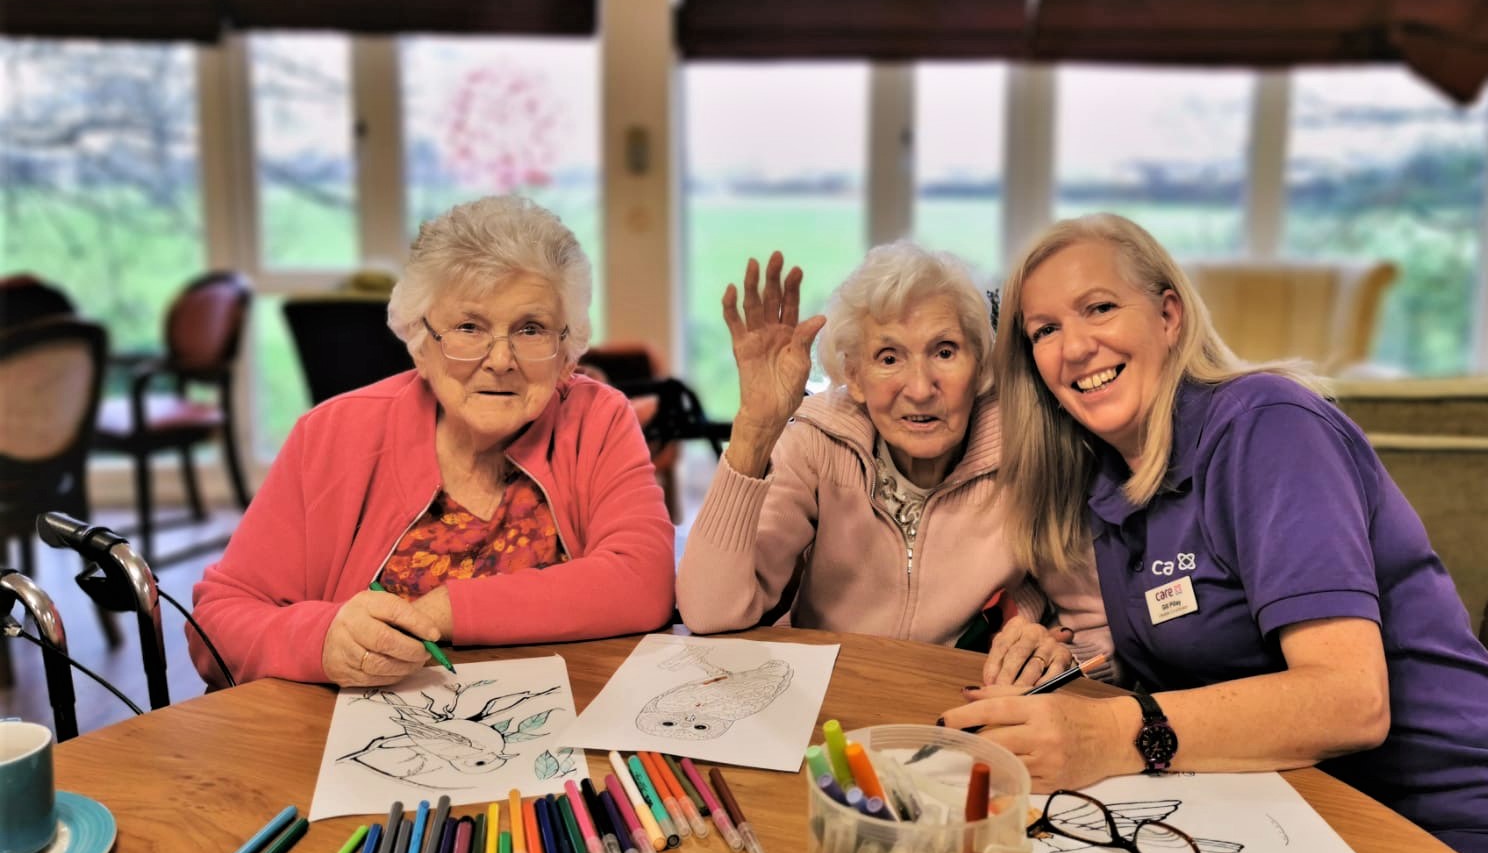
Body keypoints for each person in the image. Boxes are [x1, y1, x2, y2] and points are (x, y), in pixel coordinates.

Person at [942, 213, 1488, 853]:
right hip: (1320, 836)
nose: (1076, 346)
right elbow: (1205, 648)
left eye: (1099, 307)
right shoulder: (1110, 484)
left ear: (1168, 314)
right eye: (1045, 330)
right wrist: (1060, 652)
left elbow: (1351, 700)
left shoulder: (1268, 426)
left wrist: (1104, 734)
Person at [189, 196, 675, 688]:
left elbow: (644, 581)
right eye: (469, 327)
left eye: (531, 329)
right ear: (420, 343)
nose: (501, 360)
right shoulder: (333, 433)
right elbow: (218, 621)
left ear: (566, 349)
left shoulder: (596, 419)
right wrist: (321, 640)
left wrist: (448, 608)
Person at [676, 244, 1110, 680]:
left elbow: (1096, 636)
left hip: (961, 703)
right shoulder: (818, 443)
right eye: (889, 358)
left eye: (944, 351)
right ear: (854, 376)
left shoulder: (1029, 454)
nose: (920, 389)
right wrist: (755, 429)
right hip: (827, 699)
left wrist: (1055, 667)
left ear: (981, 368)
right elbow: (709, 612)